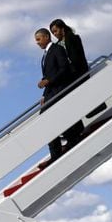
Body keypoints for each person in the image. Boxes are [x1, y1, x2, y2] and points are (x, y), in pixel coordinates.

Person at [34, 28, 72, 167]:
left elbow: (64, 68)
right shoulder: (45, 54)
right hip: (50, 92)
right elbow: (47, 75)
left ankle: (60, 149)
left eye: (38, 39)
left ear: (46, 37)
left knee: (47, 120)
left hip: (59, 90)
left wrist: (48, 81)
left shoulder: (57, 49)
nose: (37, 43)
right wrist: (44, 95)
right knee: (46, 121)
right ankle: (56, 151)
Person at [49, 19, 87, 151]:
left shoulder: (73, 38)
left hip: (77, 75)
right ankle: (73, 133)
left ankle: (75, 133)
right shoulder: (58, 44)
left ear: (62, 28)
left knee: (69, 105)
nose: (55, 34)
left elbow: (77, 59)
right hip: (67, 79)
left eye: (55, 31)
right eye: (52, 33)